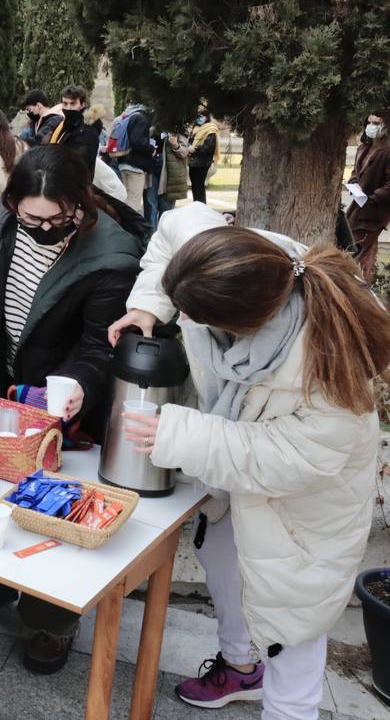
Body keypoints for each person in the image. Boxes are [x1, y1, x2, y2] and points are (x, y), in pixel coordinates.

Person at [107, 202, 388, 719]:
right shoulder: (220, 255)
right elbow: (173, 226)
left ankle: (289, 708)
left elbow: (293, 457)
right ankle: (239, 668)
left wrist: (182, 434)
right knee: (221, 555)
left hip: (307, 509)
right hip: (238, 448)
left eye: (196, 316)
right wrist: (149, 304)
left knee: (291, 626)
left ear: (245, 325)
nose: (184, 320)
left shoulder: (330, 360)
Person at [0, 146, 143, 673]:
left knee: (53, 505)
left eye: (58, 219)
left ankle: (51, 617)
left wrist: (79, 383)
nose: (43, 227)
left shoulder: (112, 255)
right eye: (32, 217)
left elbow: (102, 344)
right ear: (12, 202)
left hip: (60, 403)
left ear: (81, 203)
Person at [346, 109, 388, 283]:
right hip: (357, 206)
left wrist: (372, 198)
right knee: (363, 253)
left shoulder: (388, 151)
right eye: (369, 123)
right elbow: (356, 171)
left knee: (355, 250)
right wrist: (353, 183)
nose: (371, 127)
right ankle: (363, 286)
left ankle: (358, 287)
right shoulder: (364, 147)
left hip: (373, 213)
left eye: (376, 123)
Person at [43, 85, 103, 171]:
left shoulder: (87, 129)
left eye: (73, 103)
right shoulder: (64, 125)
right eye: (65, 103)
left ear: (82, 105)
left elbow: (80, 162)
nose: (68, 108)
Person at [113, 102, 155, 215]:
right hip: (135, 166)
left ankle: (123, 227)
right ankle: (127, 230)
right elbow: (137, 141)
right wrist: (151, 148)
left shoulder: (129, 116)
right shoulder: (141, 118)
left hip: (123, 162)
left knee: (126, 199)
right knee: (134, 202)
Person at [187, 107, 220, 203]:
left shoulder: (211, 129)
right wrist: (189, 147)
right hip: (192, 162)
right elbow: (190, 141)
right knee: (194, 186)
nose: (200, 118)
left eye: (202, 116)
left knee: (199, 186)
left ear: (207, 117)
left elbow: (208, 147)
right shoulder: (195, 128)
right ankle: (196, 205)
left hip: (203, 162)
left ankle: (201, 207)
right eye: (198, 116)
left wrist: (194, 149)